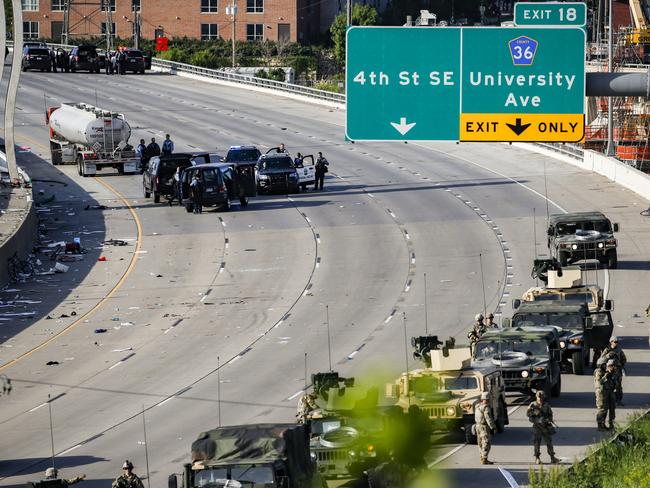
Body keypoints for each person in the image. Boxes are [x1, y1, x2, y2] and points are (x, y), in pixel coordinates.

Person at [526, 390, 559, 465]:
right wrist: (535, 414)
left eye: (541, 397)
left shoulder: (546, 405)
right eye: (539, 397)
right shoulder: (533, 405)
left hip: (545, 426)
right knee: (536, 443)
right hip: (537, 427)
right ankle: (537, 458)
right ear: (536, 397)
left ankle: (552, 458)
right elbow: (528, 414)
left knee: (549, 442)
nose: (540, 399)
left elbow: (550, 413)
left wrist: (549, 419)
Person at [600, 336, 627, 405]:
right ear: (611, 342)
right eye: (615, 342)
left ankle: (618, 400)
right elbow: (601, 360)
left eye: (617, 342)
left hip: (617, 370)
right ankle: (608, 400)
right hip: (609, 369)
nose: (616, 343)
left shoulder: (619, 350)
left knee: (618, 386)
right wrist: (607, 356)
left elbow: (624, 359)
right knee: (608, 385)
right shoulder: (607, 350)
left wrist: (621, 366)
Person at [594, 357, 617, 431]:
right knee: (602, 409)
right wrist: (607, 374)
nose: (605, 366)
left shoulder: (606, 371)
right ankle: (600, 425)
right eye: (604, 365)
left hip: (609, 391)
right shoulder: (598, 371)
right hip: (601, 392)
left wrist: (611, 373)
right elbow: (600, 381)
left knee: (611, 408)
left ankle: (610, 424)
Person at [475, 391, 497, 465]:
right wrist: (493, 427)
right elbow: (488, 418)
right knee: (486, 442)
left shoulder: (477, 406)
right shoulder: (486, 407)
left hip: (477, 426)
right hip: (484, 426)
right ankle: (484, 458)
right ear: (488, 399)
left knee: (480, 442)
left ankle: (481, 456)